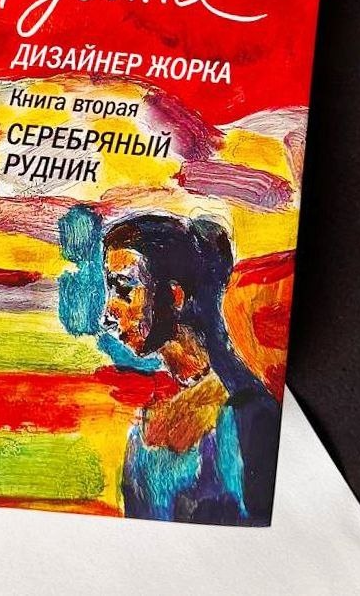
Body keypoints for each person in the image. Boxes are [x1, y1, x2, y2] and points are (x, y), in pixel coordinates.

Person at [102, 213, 280, 524]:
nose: (108, 314)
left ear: (175, 296)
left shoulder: (248, 414)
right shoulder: (144, 427)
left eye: (124, 289)